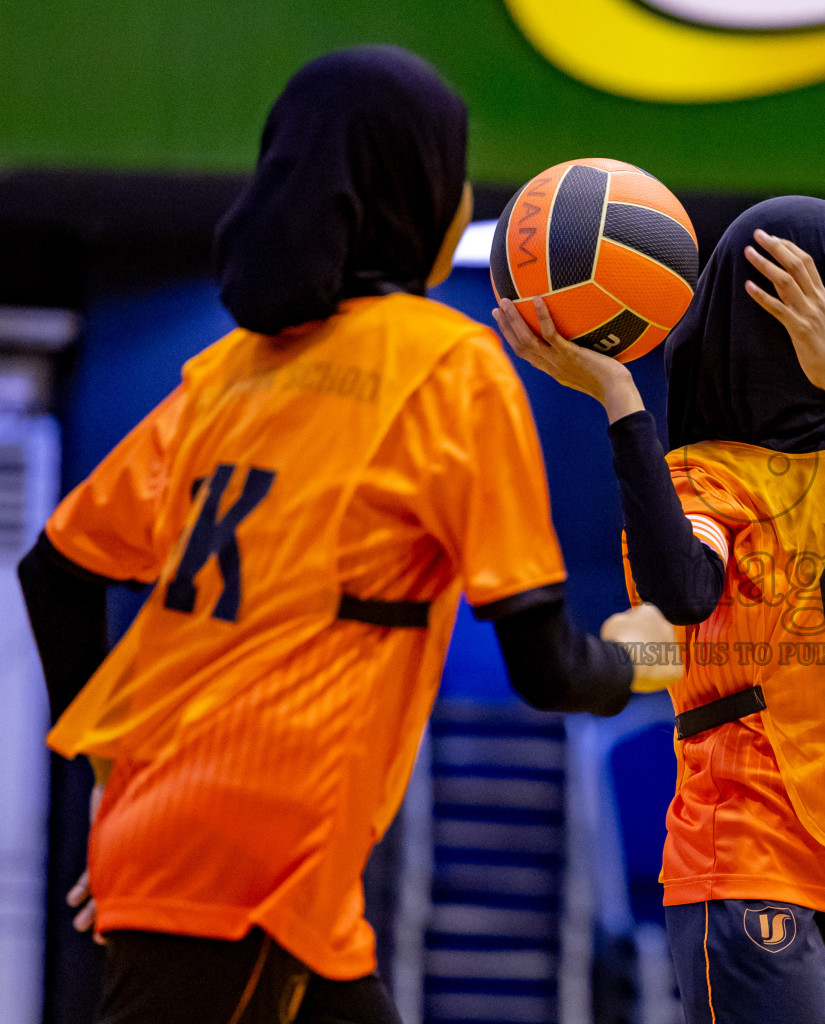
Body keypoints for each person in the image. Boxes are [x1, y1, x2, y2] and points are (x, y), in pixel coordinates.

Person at [18, 46, 676, 1024]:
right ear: (425, 195)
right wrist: (642, 654)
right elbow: (546, 667)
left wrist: (118, 778)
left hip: (232, 862)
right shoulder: (450, 367)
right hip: (260, 863)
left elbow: (55, 569)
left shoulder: (226, 375)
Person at [494, 196, 825, 1023]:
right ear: (799, 307)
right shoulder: (710, 478)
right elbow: (681, 592)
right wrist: (619, 399)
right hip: (760, 875)